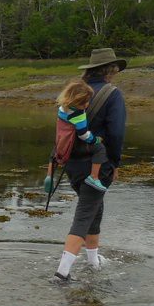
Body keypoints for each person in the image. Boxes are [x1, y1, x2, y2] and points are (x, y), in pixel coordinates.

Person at [52, 48, 128, 282]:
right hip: (98, 163)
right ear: (111, 70)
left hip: (72, 165)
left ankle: (93, 261)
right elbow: (115, 134)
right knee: (86, 213)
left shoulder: (74, 92)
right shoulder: (112, 94)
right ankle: (62, 273)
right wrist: (114, 163)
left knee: (95, 207)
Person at [53, 79, 108, 193]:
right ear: (77, 101)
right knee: (100, 149)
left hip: (64, 141)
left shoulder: (62, 108)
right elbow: (83, 135)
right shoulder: (78, 115)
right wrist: (95, 139)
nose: (87, 105)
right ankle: (93, 177)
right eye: (84, 103)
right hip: (74, 144)